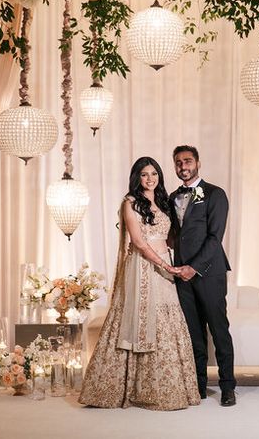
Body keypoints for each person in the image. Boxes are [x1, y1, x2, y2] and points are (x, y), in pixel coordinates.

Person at [78, 157, 200, 411]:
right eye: (144, 174)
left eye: (154, 173)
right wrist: (166, 266)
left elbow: (172, 237)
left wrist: (181, 261)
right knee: (140, 319)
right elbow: (140, 243)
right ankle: (124, 388)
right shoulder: (130, 203)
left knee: (167, 318)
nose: (150, 178)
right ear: (137, 177)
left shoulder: (165, 201)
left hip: (166, 264)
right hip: (143, 267)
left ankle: (167, 386)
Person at [169, 145, 236, 407]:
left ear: (198, 162)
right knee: (193, 334)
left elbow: (214, 238)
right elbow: (175, 235)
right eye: (178, 162)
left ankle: (228, 386)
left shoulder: (214, 194)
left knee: (219, 331)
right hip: (181, 276)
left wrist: (192, 267)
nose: (183, 166)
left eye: (187, 161)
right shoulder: (173, 196)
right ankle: (198, 386)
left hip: (209, 273)